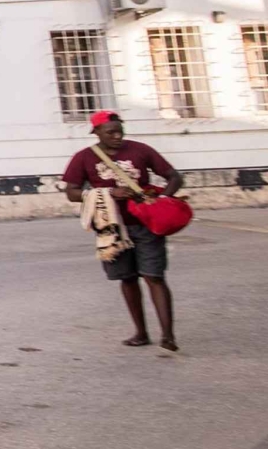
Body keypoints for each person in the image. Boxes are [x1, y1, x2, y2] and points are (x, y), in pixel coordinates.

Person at [63, 111, 183, 351]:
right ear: (96, 132)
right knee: (127, 278)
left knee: (154, 277)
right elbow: (72, 192)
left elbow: (174, 177)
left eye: (120, 131)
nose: (117, 136)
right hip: (111, 228)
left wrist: (161, 200)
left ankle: (168, 336)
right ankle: (141, 333)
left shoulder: (140, 150)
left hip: (146, 224)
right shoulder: (83, 157)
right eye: (111, 132)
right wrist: (109, 193)